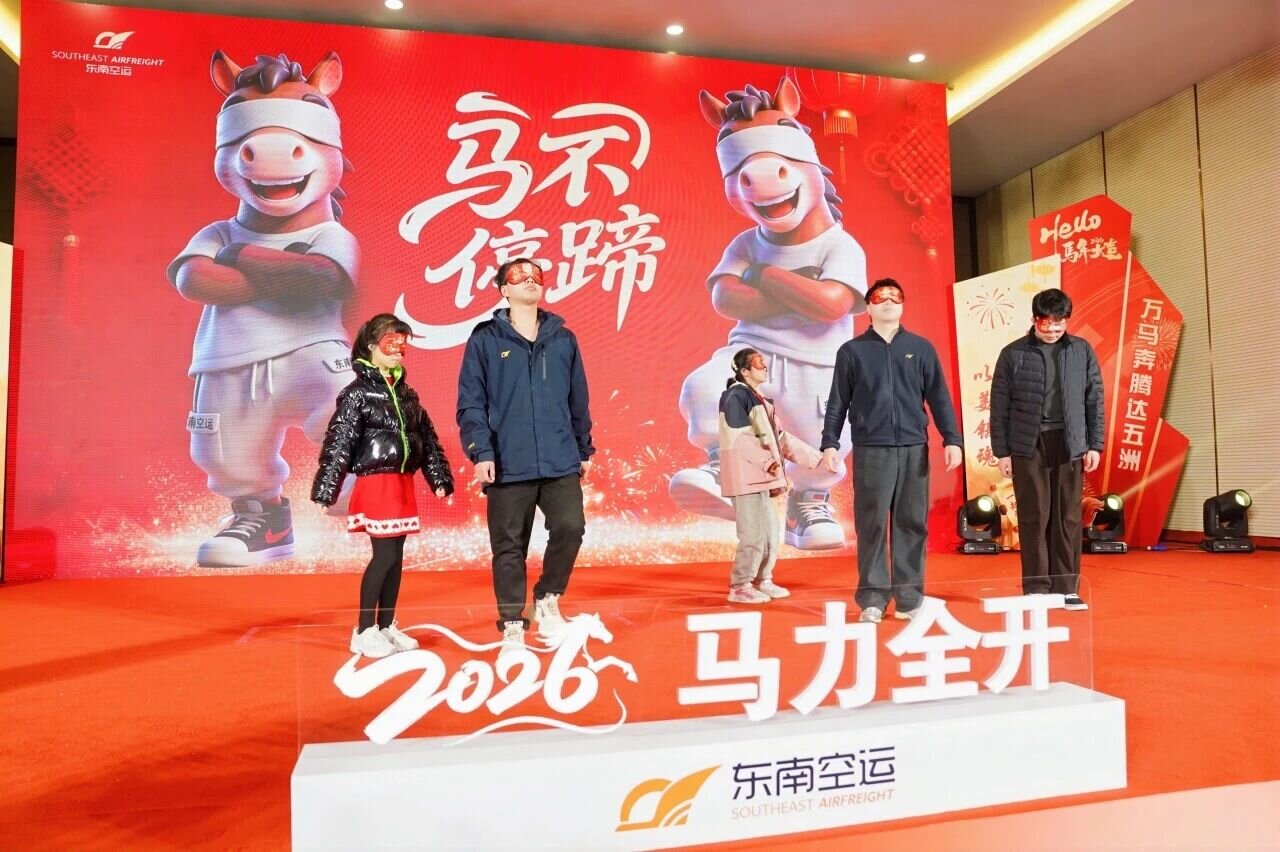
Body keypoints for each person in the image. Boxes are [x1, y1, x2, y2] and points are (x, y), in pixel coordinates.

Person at [456, 258, 595, 657]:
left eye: (536, 275)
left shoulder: (563, 338)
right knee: (509, 545)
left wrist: (583, 447)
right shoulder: (485, 340)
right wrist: (480, 451)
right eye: (519, 276)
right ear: (504, 289)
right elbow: (471, 402)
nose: (531, 280)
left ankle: (548, 597)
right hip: (506, 460)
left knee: (571, 526)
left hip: (559, 457)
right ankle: (513, 622)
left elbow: (578, 398)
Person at [820, 278, 963, 623]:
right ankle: (872, 598)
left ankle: (909, 599)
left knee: (911, 523)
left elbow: (939, 397)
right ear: (868, 307)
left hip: (913, 448)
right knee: (871, 524)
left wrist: (952, 439)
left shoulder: (920, 348)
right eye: (880, 297)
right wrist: (830, 442)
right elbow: (838, 401)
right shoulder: (852, 352)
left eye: (895, 297)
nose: (888, 301)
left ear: (902, 305)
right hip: (872, 449)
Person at [312, 314, 454, 657]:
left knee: (396, 557)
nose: (398, 351)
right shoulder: (356, 394)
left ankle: (387, 625)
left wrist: (438, 477)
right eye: (391, 343)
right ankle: (364, 630)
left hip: (402, 483)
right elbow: (340, 440)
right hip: (377, 484)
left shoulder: (407, 394)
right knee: (385, 555)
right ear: (371, 346)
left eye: (403, 345)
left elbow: (427, 439)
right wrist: (326, 488)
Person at [991, 288, 1103, 611]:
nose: (1053, 328)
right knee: (1034, 516)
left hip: (1070, 443)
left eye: (1060, 322)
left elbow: (1094, 399)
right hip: (1028, 444)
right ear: (1034, 319)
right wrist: (1002, 452)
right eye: (1046, 322)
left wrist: (1095, 444)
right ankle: (1036, 589)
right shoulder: (1013, 353)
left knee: (1068, 517)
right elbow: (999, 405)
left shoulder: (1081, 350)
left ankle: (1067, 588)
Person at [718, 348, 822, 603]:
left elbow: (779, 438)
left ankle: (761, 580)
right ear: (744, 371)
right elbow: (739, 439)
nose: (764, 367)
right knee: (753, 534)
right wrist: (769, 463)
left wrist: (814, 458)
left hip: (761, 478)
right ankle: (740, 586)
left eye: (764, 363)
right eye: (758, 364)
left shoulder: (759, 400)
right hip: (746, 478)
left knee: (769, 532)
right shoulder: (735, 397)